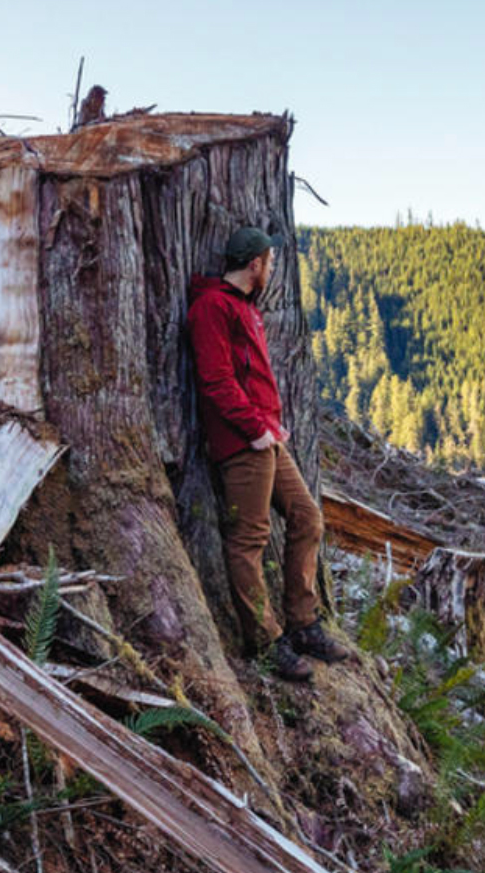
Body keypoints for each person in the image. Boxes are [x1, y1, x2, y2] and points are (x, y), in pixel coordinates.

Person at [187, 226, 353, 683]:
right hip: (243, 443)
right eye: (271, 262)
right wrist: (256, 428)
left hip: (266, 439)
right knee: (248, 541)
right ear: (255, 264)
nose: (274, 269)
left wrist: (272, 426)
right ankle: (263, 641)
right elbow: (216, 380)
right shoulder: (211, 308)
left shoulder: (244, 307)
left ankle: (303, 623)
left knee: (307, 517)